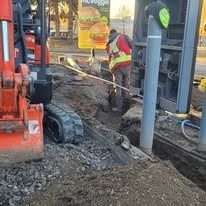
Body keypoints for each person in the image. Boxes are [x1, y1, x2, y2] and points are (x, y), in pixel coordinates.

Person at [106, 29, 132, 112]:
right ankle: (127, 106)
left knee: (118, 87)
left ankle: (119, 107)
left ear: (110, 35)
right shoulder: (124, 36)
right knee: (126, 85)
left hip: (117, 67)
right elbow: (133, 46)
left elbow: (109, 57)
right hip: (128, 64)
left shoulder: (108, 43)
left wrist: (112, 70)